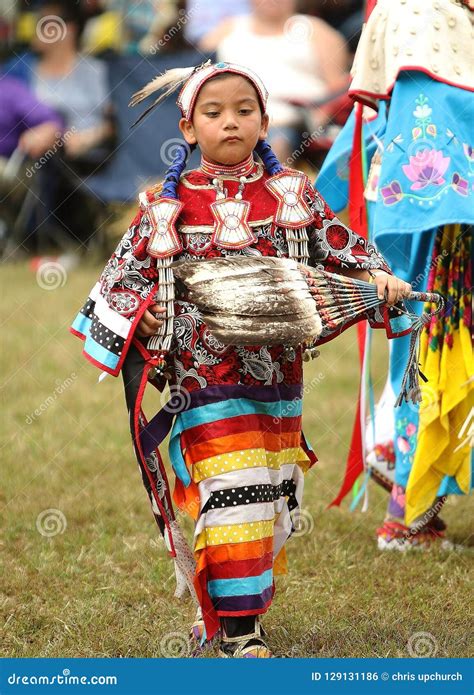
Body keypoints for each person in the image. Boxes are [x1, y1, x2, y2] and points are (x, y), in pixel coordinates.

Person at [69, 61, 411, 657]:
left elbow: (339, 250)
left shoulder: (294, 197)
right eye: (214, 112)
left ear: (264, 121)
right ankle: (239, 629)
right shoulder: (163, 207)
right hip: (201, 380)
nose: (230, 122)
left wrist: (379, 279)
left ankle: (234, 604)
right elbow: (119, 284)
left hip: (279, 379)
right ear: (188, 126)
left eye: (244, 111)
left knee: (273, 497)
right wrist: (141, 312)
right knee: (236, 489)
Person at [316, 0, 473, 549]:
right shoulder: (422, 13)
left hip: (421, 219)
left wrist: (317, 203)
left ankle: (412, 507)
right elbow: (423, 119)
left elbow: (361, 129)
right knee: (428, 360)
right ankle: (409, 511)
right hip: (439, 228)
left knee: (427, 360)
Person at [201, 0, 349, 162]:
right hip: (233, 116)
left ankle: (275, 181)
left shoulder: (317, 31)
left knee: (276, 142)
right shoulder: (226, 31)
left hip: (294, 119)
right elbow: (198, 77)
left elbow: (338, 88)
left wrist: (321, 113)